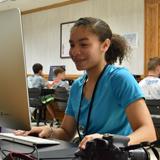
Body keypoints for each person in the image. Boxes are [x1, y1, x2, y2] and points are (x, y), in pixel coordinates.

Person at [17, 17, 156, 149]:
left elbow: (148, 133)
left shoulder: (120, 79)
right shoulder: (78, 86)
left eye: (83, 44)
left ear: (105, 45)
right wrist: (49, 131)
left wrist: (107, 142)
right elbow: (66, 132)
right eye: (72, 45)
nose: (74, 51)